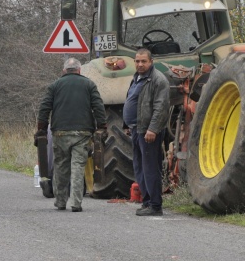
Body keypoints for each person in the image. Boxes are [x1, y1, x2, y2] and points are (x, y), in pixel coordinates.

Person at [37, 58, 107, 212]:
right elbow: (98, 107)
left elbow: (44, 108)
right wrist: (102, 126)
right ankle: (76, 203)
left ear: (64, 70)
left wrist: (41, 128)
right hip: (82, 132)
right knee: (78, 166)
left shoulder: (54, 86)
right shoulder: (89, 84)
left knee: (61, 166)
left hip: (60, 132)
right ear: (79, 70)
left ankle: (60, 202)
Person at [123, 48, 170, 216]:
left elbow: (161, 107)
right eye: (137, 61)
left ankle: (155, 205)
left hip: (148, 131)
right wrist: (126, 124)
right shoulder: (137, 78)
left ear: (151, 62)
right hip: (136, 129)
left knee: (150, 168)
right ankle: (147, 201)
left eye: (143, 61)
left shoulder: (158, 80)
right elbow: (132, 100)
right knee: (140, 167)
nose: (140, 64)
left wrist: (153, 129)